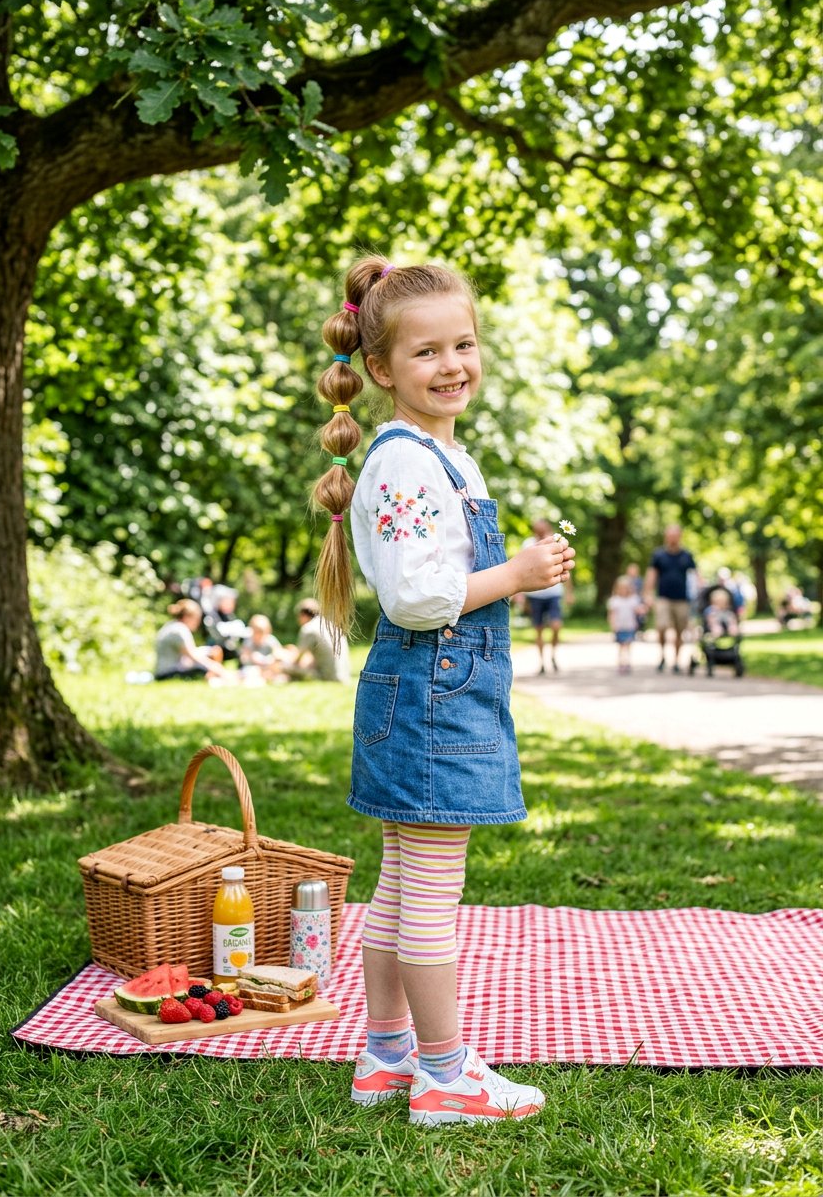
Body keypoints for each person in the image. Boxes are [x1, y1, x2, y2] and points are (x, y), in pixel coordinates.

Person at [310, 255, 575, 1127]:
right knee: (429, 898)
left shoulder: (436, 454)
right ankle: (446, 1076)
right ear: (382, 370)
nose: (452, 363)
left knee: (398, 888)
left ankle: (386, 1054)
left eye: (463, 343)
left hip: (427, 694)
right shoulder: (406, 462)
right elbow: (419, 600)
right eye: (427, 352)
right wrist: (520, 573)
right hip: (434, 695)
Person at [522, 517, 574, 674]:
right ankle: (542, 662)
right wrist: (521, 594)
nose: (540, 531)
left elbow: (564, 566)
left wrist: (569, 592)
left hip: (554, 593)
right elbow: (522, 570)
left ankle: (553, 655)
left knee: (556, 625)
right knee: (538, 629)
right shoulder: (528, 544)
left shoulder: (557, 542)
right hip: (535, 594)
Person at [643, 524, 697, 674]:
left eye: (675, 535)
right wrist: (647, 594)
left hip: (682, 599)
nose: (672, 538)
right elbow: (652, 574)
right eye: (670, 535)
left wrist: (699, 593)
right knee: (661, 626)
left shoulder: (687, 555)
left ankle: (677, 660)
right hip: (663, 598)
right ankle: (662, 656)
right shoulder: (659, 555)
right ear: (666, 536)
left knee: (680, 631)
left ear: (680, 536)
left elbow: (695, 575)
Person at [153, 599, 228, 681]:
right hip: (168, 673)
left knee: (213, 652)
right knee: (203, 669)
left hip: (164, 672)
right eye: (196, 619)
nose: (198, 623)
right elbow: (193, 656)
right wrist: (218, 670)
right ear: (186, 617)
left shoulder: (172, 625)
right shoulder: (179, 629)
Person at [287, 599, 350, 683]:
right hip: (345, 676)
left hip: (328, 677)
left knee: (283, 666)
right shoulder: (331, 626)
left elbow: (297, 660)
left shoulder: (308, 629)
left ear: (303, 615)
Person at [606, 575, 644, 674]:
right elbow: (612, 614)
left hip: (630, 626)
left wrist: (643, 609)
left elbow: (638, 610)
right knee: (621, 646)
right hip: (620, 627)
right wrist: (613, 625)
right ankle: (621, 663)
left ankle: (627, 662)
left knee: (628, 645)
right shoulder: (615, 600)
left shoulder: (633, 600)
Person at [239, 613, 287, 682]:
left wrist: (270, 659)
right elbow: (243, 658)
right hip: (253, 668)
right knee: (250, 671)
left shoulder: (270, 640)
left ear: (267, 631)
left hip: (268, 667)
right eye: (256, 632)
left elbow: (279, 654)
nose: (258, 636)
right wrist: (251, 657)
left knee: (277, 669)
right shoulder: (249, 641)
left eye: (261, 633)